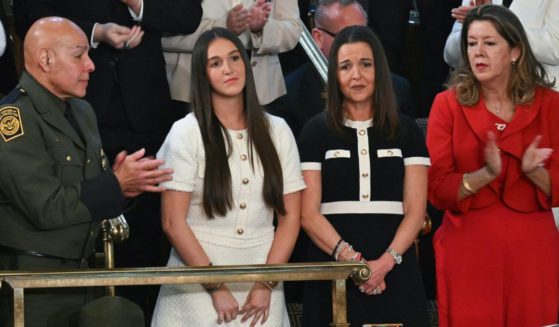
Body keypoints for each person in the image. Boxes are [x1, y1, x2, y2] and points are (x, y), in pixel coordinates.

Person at [12, 0, 203, 321]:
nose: (87, 63)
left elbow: (188, 14)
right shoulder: (18, 119)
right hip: (73, 107)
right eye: (79, 55)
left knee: (144, 241)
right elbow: (29, 17)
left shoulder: (87, 113)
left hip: (145, 110)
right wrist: (95, 33)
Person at [151, 27, 305, 327]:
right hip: (195, 281)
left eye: (235, 58)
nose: (229, 69)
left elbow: (290, 219)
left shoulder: (278, 130)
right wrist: (215, 285)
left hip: (263, 279)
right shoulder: (186, 132)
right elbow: (172, 222)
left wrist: (265, 284)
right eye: (215, 63)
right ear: (202, 74)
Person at [427, 5, 559, 326]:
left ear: (515, 51)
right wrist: (484, 175)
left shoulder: (549, 104)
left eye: (489, 43)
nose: (478, 52)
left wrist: (534, 172)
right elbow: (437, 189)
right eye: (472, 44)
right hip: (469, 248)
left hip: (532, 250)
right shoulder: (447, 105)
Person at [298, 25, 430, 326]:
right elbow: (308, 214)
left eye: (365, 65)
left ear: (379, 70)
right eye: (345, 66)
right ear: (334, 75)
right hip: (332, 264)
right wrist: (356, 264)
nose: (356, 75)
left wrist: (385, 263)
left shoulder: (407, 130)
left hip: (396, 265)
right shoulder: (314, 131)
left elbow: (415, 210)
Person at [268, 0, 415, 138]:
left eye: (363, 35)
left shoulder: (398, 90)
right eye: (345, 37)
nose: (357, 46)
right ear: (318, 38)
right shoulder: (289, 95)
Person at [161, 0, 302, 107]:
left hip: (261, 94)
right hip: (192, 94)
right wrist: (223, 28)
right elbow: (162, 36)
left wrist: (261, 30)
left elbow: (292, 31)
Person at [443, 0, 559, 92]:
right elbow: (451, 54)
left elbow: (555, 47)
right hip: (481, 95)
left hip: (536, 93)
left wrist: (499, 25)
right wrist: (475, 28)